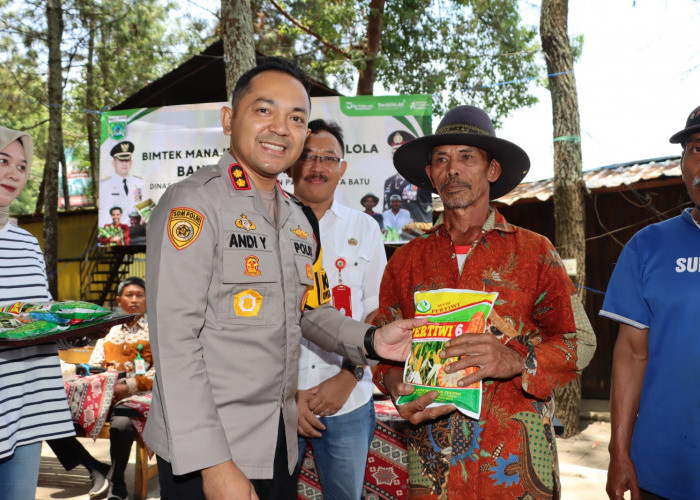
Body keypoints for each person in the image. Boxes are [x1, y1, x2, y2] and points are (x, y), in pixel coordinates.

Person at [143, 57, 424, 500]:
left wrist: (371, 341)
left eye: (296, 118)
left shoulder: (296, 219)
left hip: (279, 440)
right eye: (263, 110)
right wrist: (214, 466)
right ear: (228, 119)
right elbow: (174, 341)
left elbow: (312, 309)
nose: (281, 127)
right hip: (210, 448)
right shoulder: (194, 205)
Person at [373, 105, 597, 499]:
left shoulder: (534, 252)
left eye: (466, 157)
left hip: (515, 470)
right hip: (433, 470)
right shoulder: (406, 262)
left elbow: (579, 341)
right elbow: (384, 352)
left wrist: (515, 361)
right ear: (430, 175)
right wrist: (397, 386)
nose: (452, 169)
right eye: (441, 159)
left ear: (492, 170)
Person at [601, 105, 700, 500]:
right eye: (697, 148)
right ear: (683, 165)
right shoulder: (647, 247)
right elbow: (630, 353)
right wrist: (618, 451)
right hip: (659, 469)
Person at [288, 119, 386, 499]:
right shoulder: (267, 226)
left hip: (349, 398)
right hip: (279, 402)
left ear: (343, 168)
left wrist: (349, 376)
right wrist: (288, 395)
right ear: (292, 162)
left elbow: (377, 310)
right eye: (308, 156)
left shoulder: (365, 228)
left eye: (328, 158)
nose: (317, 167)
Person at [0, 127, 76, 499]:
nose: (14, 173)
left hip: (28, 406)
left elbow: (40, 317)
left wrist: (72, 330)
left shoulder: (26, 243)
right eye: (3, 161)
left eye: (22, 166)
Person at [48, 277, 152, 500]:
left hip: (141, 395)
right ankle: (95, 468)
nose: (134, 300)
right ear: (119, 300)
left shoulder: (157, 331)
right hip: (107, 392)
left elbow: (162, 371)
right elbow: (96, 365)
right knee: (48, 417)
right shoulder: (109, 331)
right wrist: (102, 382)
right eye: (129, 295)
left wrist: (129, 386)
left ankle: (117, 482)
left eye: (139, 295)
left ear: (147, 299)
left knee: (122, 423)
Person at [383, 130, 432, 223]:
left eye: (401, 154)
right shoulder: (388, 182)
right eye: (394, 154)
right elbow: (385, 209)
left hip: (415, 232)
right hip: (392, 234)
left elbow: (428, 207)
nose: (397, 158)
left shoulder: (422, 178)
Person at [99, 141, 144, 227]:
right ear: (114, 162)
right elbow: (104, 212)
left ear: (131, 162)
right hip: (117, 231)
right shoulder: (105, 185)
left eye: (127, 160)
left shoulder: (139, 183)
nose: (124, 163)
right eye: (121, 160)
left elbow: (145, 206)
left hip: (136, 229)